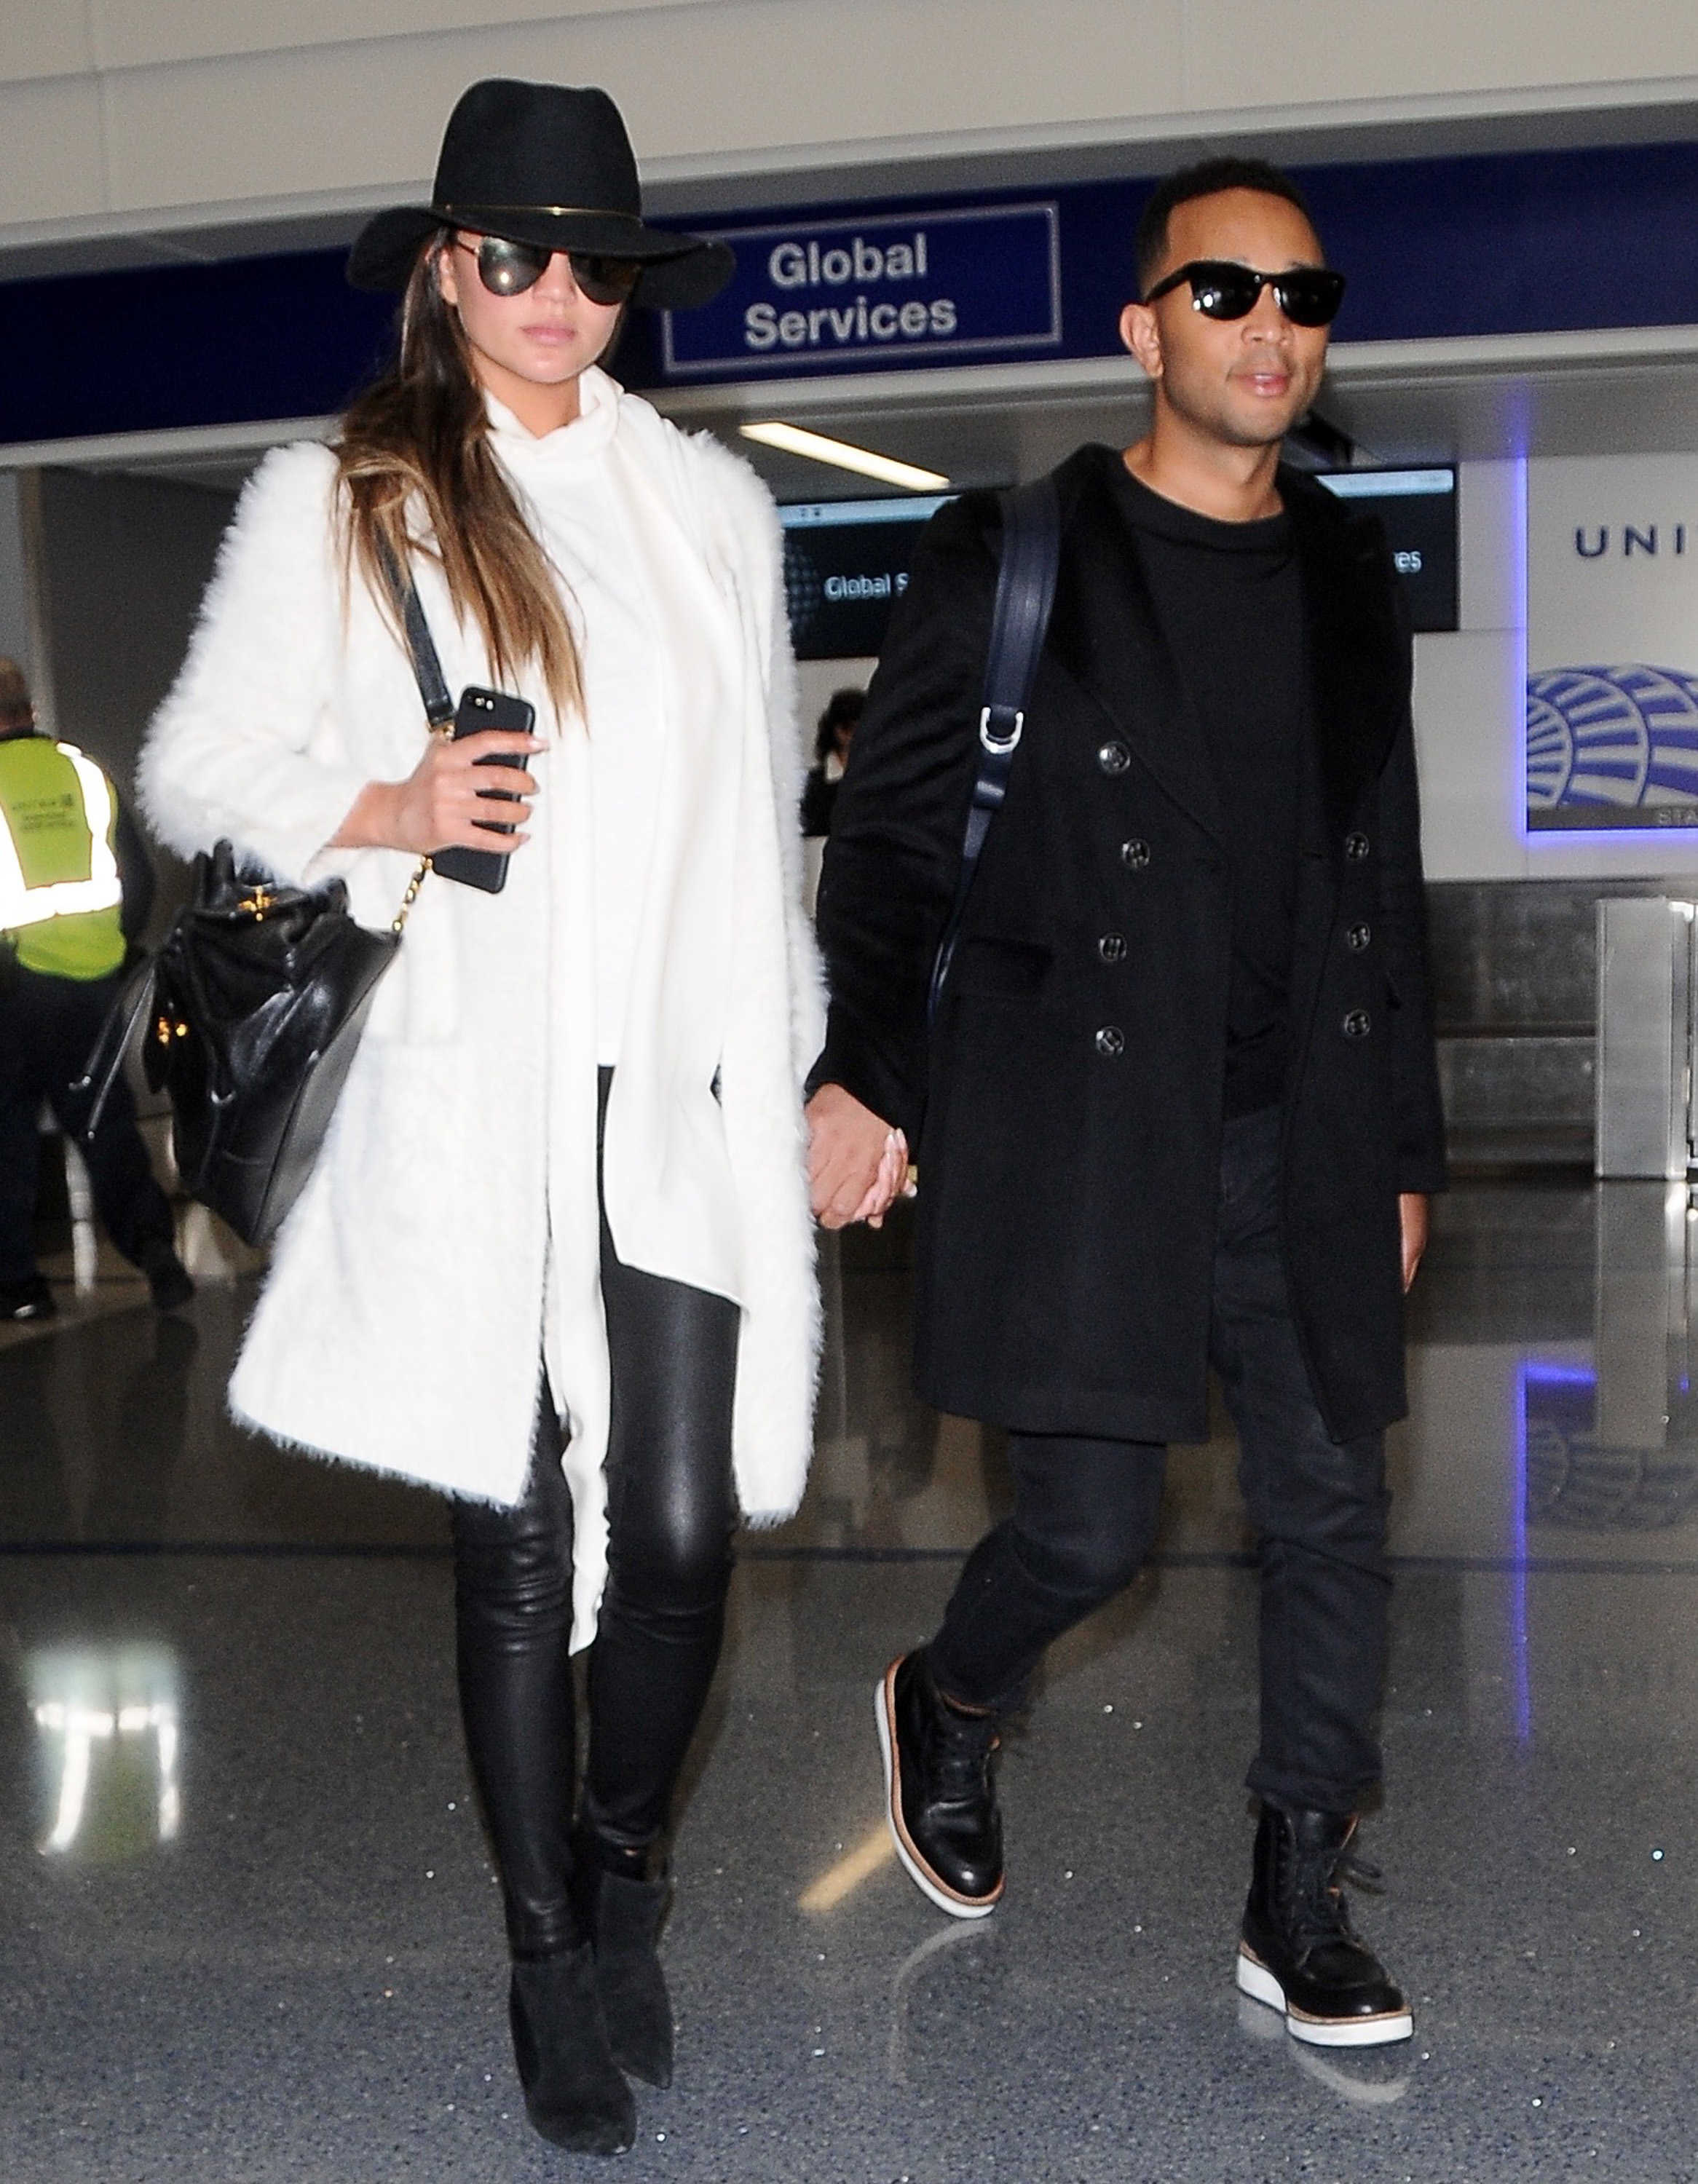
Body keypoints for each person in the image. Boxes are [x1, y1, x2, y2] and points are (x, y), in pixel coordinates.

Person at [141, 79, 849, 2156]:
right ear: (445, 267)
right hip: (473, 1097)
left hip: (681, 1086)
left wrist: (802, 1066)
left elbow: (751, 855)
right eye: (511, 252)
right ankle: (549, 1951)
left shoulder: (710, 510)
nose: (554, 295)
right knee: (522, 1535)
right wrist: (388, 809)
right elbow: (197, 768)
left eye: (591, 262)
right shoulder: (350, 500)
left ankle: (627, 1861)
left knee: (695, 1532)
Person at [805, 157, 1445, 2049]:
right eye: (1224, 291)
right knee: (1093, 1538)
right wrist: (862, 1069)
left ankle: (1295, 1892)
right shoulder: (1007, 553)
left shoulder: (1343, 572)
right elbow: (895, 841)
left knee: (1331, 1510)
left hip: (1298, 1131)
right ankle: (952, 1696)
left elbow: (1378, 876)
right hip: (1087, 1123)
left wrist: (1401, 1146)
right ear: (1142, 327)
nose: (1269, 326)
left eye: (1301, 294)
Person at [0, 658, 193, 1321]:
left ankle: (20, 1286)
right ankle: (155, 1252)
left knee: (7, 1140)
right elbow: (136, 881)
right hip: (90, 985)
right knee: (105, 1126)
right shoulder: (86, 773)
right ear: (26, 709)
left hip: (11, 993)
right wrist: (110, 954)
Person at [801, 687, 863, 839]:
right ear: (834, 729)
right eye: (847, 728)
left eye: (858, 728)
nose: (852, 736)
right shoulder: (813, 786)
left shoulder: (883, 780)